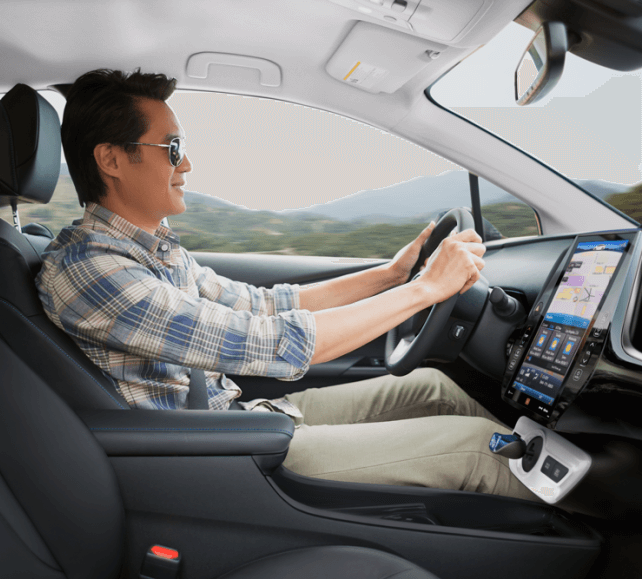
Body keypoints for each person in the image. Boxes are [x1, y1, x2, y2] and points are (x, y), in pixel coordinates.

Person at [36, 68, 533, 501]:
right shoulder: (93, 271)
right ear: (112, 160)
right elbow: (270, 342)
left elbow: (262, 305)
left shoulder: (150, 249)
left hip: (236, 416)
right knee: (478, 450)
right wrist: (426, 290)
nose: (186, 165)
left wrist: (392, 276)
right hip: (217, 452)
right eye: (173, 148)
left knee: (434, 389)